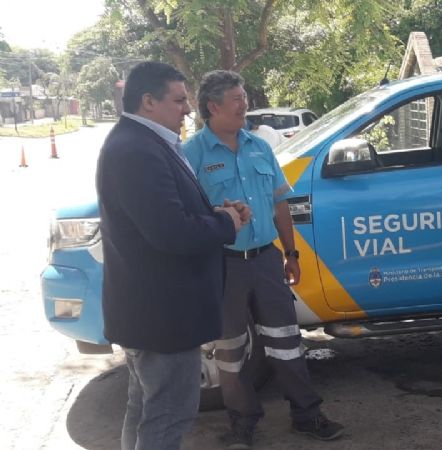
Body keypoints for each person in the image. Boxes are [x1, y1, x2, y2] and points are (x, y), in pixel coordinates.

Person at [184, 70, 344, 449]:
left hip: (266, 261)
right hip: (223, 265)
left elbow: (279, 203)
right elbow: (185, 215)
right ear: (213, 106)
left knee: (286, 340)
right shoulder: (192, 155)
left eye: (244, 97)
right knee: (231, 349)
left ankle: (306, 415)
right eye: (237, 99)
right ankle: (242, 421)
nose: (245, 105)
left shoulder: (259, 146)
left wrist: (290, 253)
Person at [96, 61, 248, 450]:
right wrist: (226, 224)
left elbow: (162, 218)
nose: (187, 109)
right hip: (165, 317)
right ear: (148, 101)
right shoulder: (136, 149)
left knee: (146, 409)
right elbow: (170, 233)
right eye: (179, 100)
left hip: (153, 313)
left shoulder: (143, 142)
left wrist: (214, 216)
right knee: (168, 415)